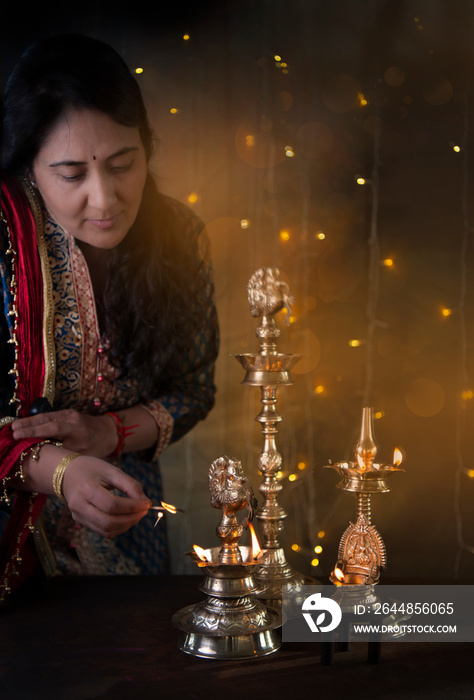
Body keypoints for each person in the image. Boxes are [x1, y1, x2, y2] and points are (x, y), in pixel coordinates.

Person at [0, 34, 219, 602]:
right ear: (27, 164)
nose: (106, 199)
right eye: (72, 175)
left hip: (129, 528)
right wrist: (57, 470)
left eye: (124, 164)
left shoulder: (176, 236)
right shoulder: (3, 242)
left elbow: (193, 390)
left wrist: (107, 433)